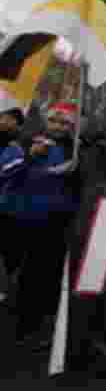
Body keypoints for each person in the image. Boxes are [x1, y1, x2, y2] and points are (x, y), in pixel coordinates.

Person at [3, 102, 81, 350]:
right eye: (54, 121)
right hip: (17, 217)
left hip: (54, 223)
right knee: (15, 270)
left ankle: (33, 328)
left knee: (42, 276)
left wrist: (75, 172)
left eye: (65, 123)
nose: (58, 127)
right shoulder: (25, 143)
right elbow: (5, 172)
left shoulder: (77, 149)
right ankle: (18, 320)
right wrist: (30, 156)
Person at [0, 107, 27, 303]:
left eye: (6, 118)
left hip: (9, 206)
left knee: (9, 250)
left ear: (16, 122)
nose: (2, 121)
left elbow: (8, 170)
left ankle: (5, 286)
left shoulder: (18, 146)